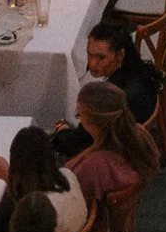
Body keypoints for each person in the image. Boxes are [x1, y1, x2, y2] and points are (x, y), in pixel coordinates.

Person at [52, 77, 158, 212]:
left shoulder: (93, 165)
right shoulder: (139, 135)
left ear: (94, 122)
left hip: (86, 218)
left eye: (79, 114)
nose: (79, 120)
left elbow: (66, 201)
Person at [82, 15, 160, 126]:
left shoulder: (115, 98)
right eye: (89, 55)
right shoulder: (138, 69)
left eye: (101, 57)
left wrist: (61, 127)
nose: (91, 64)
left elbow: (81, 137)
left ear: (120, 55)